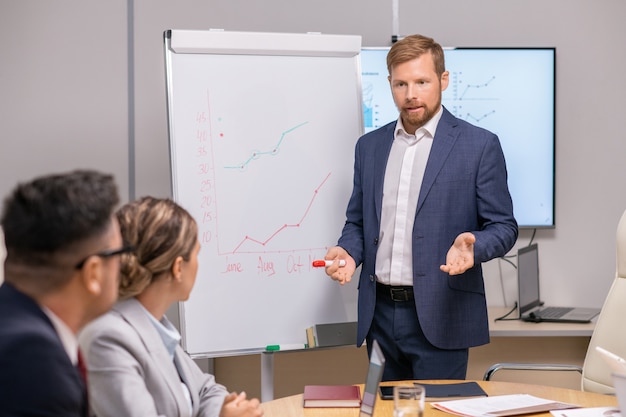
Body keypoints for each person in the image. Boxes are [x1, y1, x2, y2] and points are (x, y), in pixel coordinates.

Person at [323, 34, 518, 381]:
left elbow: (504, 227)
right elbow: (357, 222)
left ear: (443, 80)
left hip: (442, 313)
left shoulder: (479, 145)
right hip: (379, 315)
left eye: (421, 82)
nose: (411, 94)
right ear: (389, 84)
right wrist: (349, 252)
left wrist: (473, 245)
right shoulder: (369, 147)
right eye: (401, 83)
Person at [78, 196, 264, 417]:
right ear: (178, 267)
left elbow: (207, 389)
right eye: (196, 254)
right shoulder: (107, 338)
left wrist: (225, 410)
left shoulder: (157, 327)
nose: (198, 264)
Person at [0, 170, 123, 416]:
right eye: (120, 253)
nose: (124, 264)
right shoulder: (33, 359)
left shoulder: (13, 323)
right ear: (93, 273)